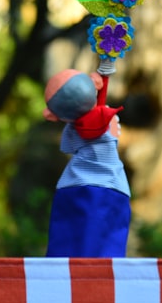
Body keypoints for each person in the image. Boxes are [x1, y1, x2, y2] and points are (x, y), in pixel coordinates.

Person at [43, 68, 131, 257]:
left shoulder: (71, 129)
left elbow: (68, 147)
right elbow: (113, 134)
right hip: (112, 183)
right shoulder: (108, 118)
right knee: (107, 248)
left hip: (72, 184)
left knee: (66, 244)